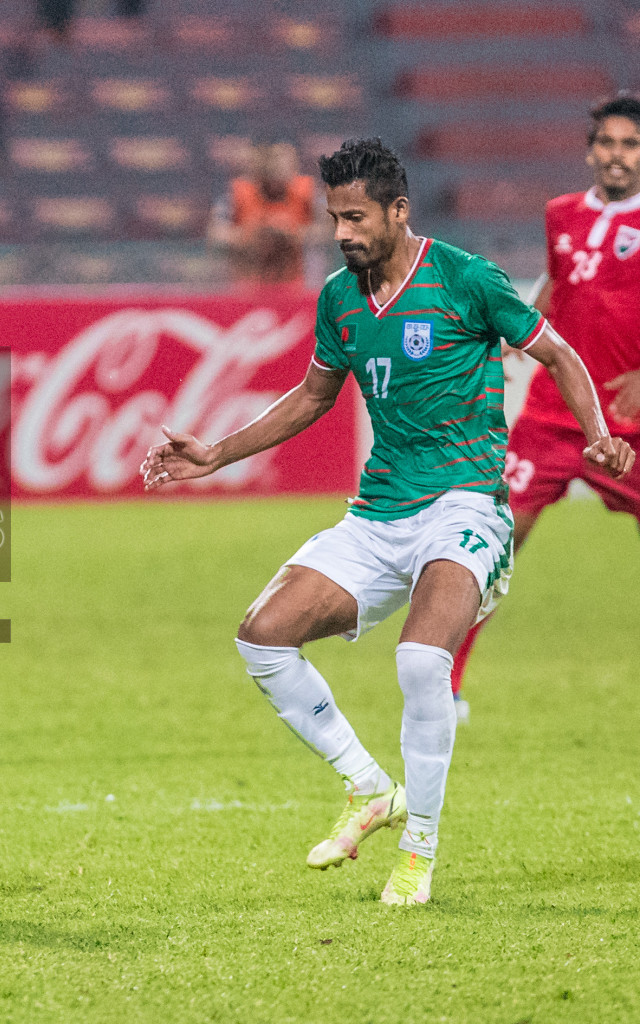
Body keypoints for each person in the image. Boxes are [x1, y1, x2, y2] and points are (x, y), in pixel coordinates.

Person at [141, 138, 633, 906]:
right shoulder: (340, 297)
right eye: (336, 217)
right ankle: (369, 787)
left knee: (417, 661)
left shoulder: (466, 279)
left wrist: (597, 430)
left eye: (358, 216)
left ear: (399, 211)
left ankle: (419, 850)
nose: (343, 232)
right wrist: (215, 454)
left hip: (466, 505)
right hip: (377, 515)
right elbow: (310, 398)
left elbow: (561, 354)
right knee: (261, 637)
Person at [451, 94, 640, 710]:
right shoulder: (561, 215)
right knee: (488, 544)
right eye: (607, 143)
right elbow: (558, 285)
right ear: (591, 152)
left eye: (629, 144)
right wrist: (517, 330)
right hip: (550, 420)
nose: (616, 155)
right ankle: (444, 685)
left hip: (629, 422)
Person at [207, 142, 320, 287]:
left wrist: (291, 233)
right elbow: (216, 233)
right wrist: (250, 235)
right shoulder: (238, 194)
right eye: (271, 165)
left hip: (296, 276)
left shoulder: (307, 193)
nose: (277, 176)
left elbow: (327, 231)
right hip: (248, 277)